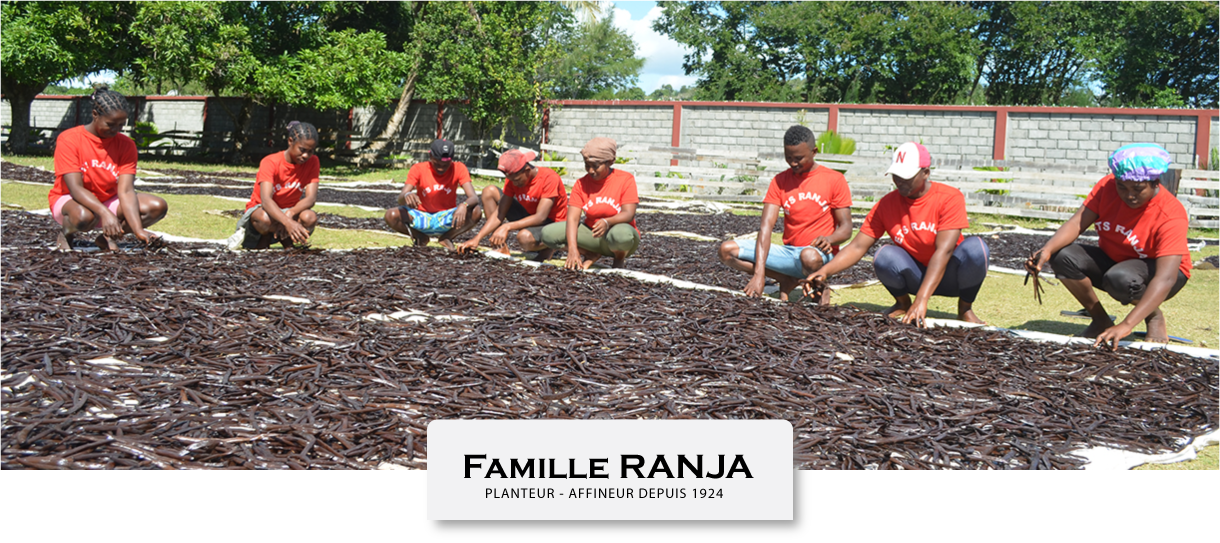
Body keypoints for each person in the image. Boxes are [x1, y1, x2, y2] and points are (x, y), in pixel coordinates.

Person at [1025, 143, 1191, 349]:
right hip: (1116, 260)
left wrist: (1127, 325)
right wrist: (1046, 251)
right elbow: (1077, 222)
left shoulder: (1171, 214)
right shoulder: (1107, 186)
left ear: (1155, 183)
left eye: (1138, 189)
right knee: (1062, 255)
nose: (1129, 195)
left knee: (1121, 278)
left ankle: (1154, 316)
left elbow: (1166, 277)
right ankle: (1100, 320)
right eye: (1122, 186)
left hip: (1162, 271)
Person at [804, 142, 989, 327]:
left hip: (951, 276)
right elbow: (858, 246)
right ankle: (902, 303)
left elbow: (944, 251)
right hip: (915, 275)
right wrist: (823, 272)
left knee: (976, 248)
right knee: (884, 255)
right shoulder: (887, 204)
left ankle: (965, 308)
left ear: (926, 172)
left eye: (906, 176)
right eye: (896, 174)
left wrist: (922, 299)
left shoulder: (949, 197)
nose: (899, 180)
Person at [718, 125, 852, 302]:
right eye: (788, 158)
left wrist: (830, 239)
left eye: (798, 158)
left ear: (814, 152)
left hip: (819, 254)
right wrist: (760, 275)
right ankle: (786, 279)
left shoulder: (834, 179)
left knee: (809, 256)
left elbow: (846, 228)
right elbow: (766, 227)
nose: (793, 163)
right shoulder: (780, 181)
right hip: (789, 254)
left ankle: (820, 284)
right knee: (726, 250)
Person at [49, 87, 167, 251]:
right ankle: (66, 234)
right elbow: (75, 188)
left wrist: (138, 230)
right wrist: (105, 213)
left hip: (108, 200)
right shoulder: (69, 139)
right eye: (111, 124)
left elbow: (126, 191)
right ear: (95, 115)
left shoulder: (127, 145)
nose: (116, 130)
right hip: (71, 202)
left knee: (157, 206)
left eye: (121, 125)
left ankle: (107, 237)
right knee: (84, 217)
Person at [539, 137, 639, 269]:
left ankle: (618, 259)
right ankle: (590, 254)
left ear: (610, 162)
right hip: (592, 236)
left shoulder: (625, 179)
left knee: (621, 235)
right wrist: (573, 250)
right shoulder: (581, 184)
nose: (591, 170)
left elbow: (628, 214)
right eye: (587, 165)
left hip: (618, 238)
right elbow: (573, 219)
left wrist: (607, 222)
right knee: (548, 234)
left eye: (595, 166)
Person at [457, 148, 567, 260]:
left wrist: (507, 226)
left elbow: (541, 217)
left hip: (553, 225)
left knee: (524, 237)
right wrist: (477, 238)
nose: (514, 183)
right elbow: (500, 212)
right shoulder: (512, 180)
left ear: (527, 170)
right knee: (489, 191)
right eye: (511, 180)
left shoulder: (549, 178)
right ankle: (500, 247)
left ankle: (551, 246)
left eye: (517, 180)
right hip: (530, 217)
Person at [234, 121, 320, 249]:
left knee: (309, 217)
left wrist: (290, 214)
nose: (306, 155)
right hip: (262, 212)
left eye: (311, 151)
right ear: (290, 141)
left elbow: (311, 198)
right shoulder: (270, 162)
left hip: (289, 209)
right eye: (302, 150)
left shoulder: (313, 161)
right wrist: (286, 221)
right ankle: (266, 237)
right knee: (264, 219)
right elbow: (266, 201)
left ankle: (285, 239)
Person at [384, 139, 481, 250]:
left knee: (476, 211)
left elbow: (474, 197)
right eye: (437, 164)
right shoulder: (418, 168)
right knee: (391, 215)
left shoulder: (459, 168)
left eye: (446, 165)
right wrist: (407, 195)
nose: (441, 168)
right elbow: (401, 197)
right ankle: (421, 237)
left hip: (447, 218)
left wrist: (463, 205)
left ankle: (447, 237)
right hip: (422, 216)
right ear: (430, 156)